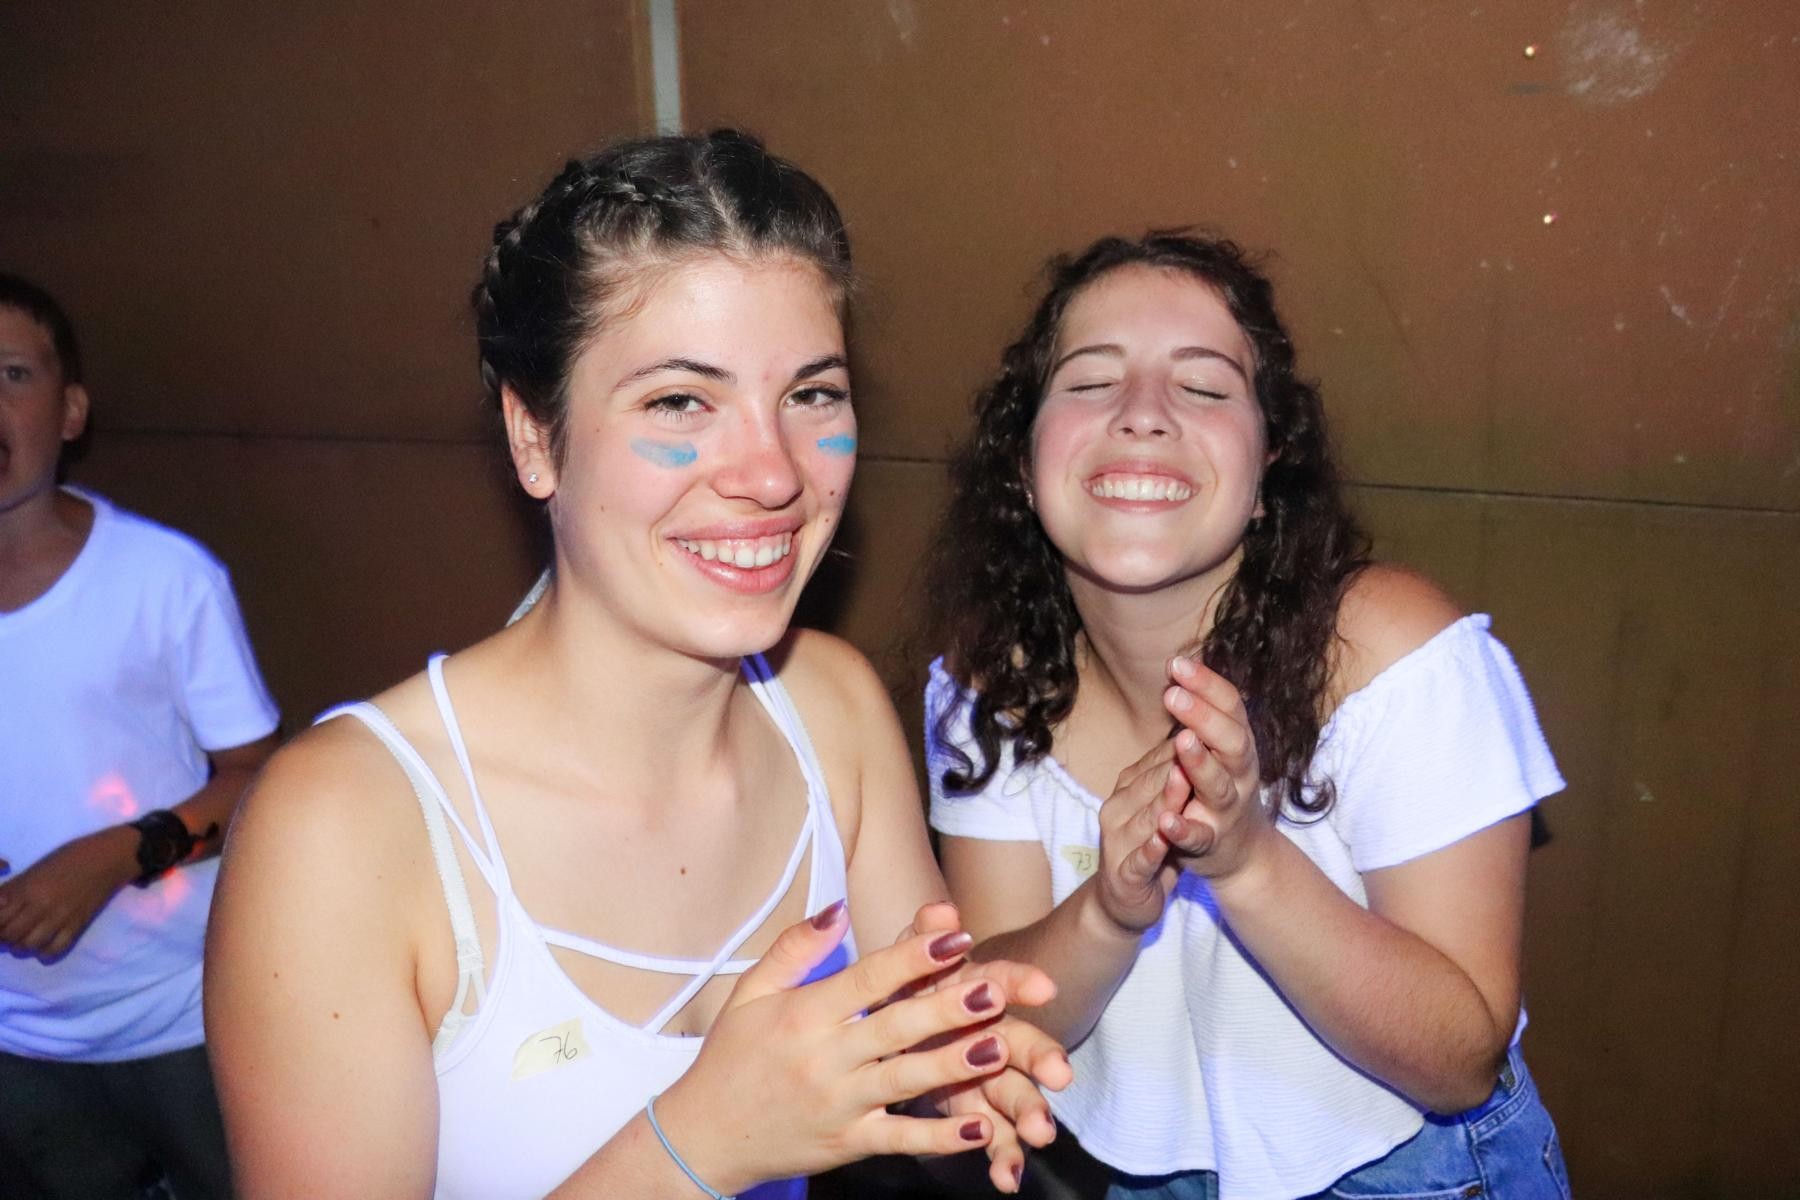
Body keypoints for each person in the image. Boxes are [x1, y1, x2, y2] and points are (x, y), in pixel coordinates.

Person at [205, 130, 1070, 1200]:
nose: (772, 474)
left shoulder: (831, 707)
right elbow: (732, 1131)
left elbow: (923, 1054)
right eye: (679, 402)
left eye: (812, 395)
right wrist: (695, 1144)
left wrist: (965, 1067)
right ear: (535, 437)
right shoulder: (345, 828)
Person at [923, 233, 1570, 1200]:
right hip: (1145, 1178)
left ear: (1270, 465)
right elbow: (992, 1024)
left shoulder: (1397, 657)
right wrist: (1107, 911)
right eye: (1091, 382)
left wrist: (1249, 861)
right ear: (1022, 461)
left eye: (1204, 386)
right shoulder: (986, 689)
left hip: (1419, 1171)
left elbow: (1459, 1061)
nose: (1144, 413)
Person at [0, 272, 281, 1199]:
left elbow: (258, 779)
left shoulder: (165, 579)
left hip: (181, 1018)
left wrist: (116, 855)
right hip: (18, 1046)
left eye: (12, 374)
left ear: (71, 411)